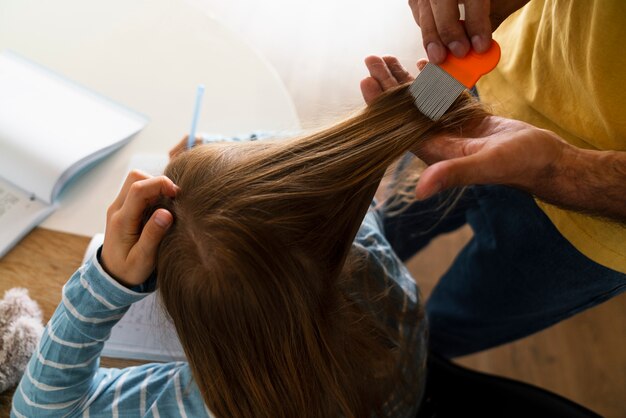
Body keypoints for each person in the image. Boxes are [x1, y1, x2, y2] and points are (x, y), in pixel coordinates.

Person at [12, 86, 486, 417]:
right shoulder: (361, 240)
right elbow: (311, 157)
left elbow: (38, 410)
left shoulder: (211, 405)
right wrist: (222, 160)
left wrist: (104, 283)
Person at [358, 0, 626, 358]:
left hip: (587, 235)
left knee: (440, 332)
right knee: (385, 229)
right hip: (485, 85)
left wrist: (558, 167)